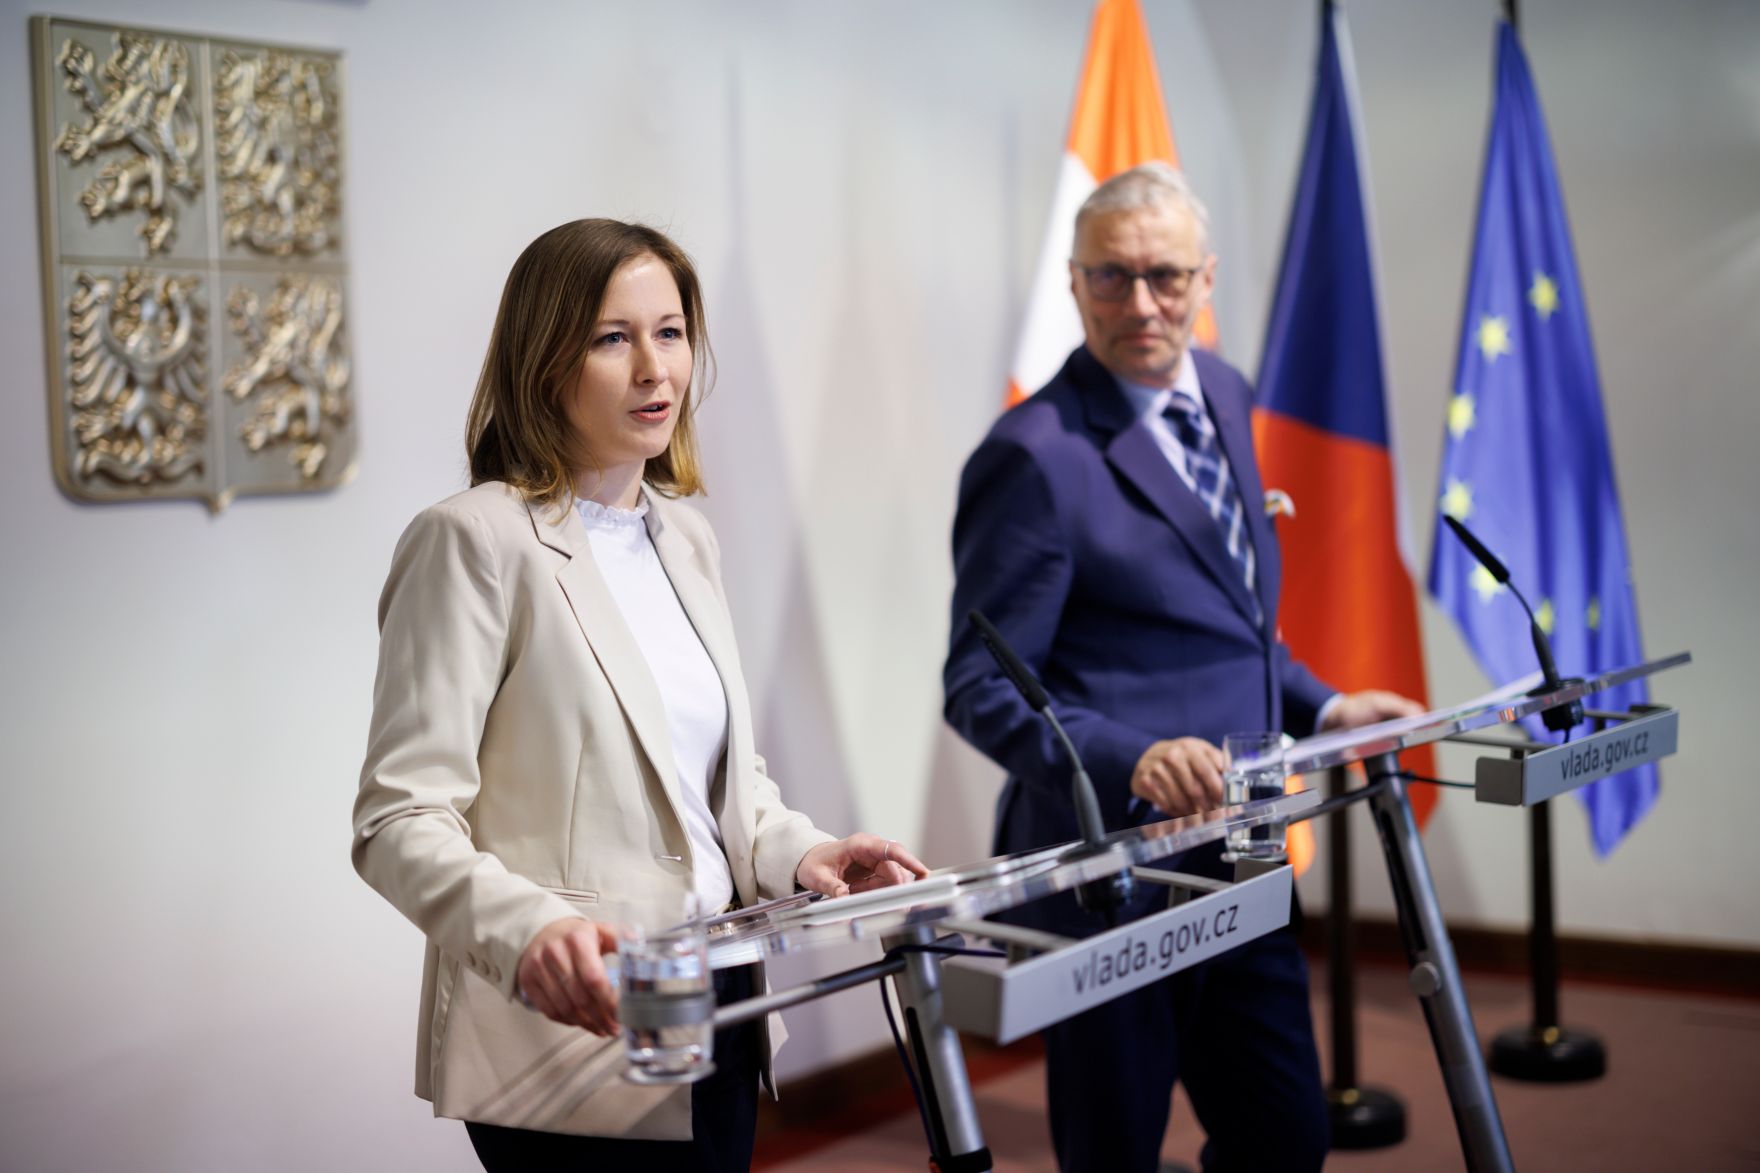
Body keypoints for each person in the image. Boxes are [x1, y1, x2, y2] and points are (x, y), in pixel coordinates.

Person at [352, 218, 928, 1173]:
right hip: (573, 1034)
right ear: (544, 361)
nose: (655, 368)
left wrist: (806, 852)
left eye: (671, 331)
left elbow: (721, 787)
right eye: (612, 337)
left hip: (724, 1005)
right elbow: (398, 816)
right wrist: (532, 930)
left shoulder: (683, 536)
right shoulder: (473, 541)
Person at [941, 163, 1421, 1173]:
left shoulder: (1226, 392)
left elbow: (1228, 621)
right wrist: (1131, 756)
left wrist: (1324, 705)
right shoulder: (1032, 456)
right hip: (1111, 868)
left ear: (1205, 280)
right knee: (1114, 1152)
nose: (1141, 304)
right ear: (1072, 286)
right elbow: (979, 685)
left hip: (1242, 851)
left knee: (1282, 1137)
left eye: (1164, 276)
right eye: (1110, 278)